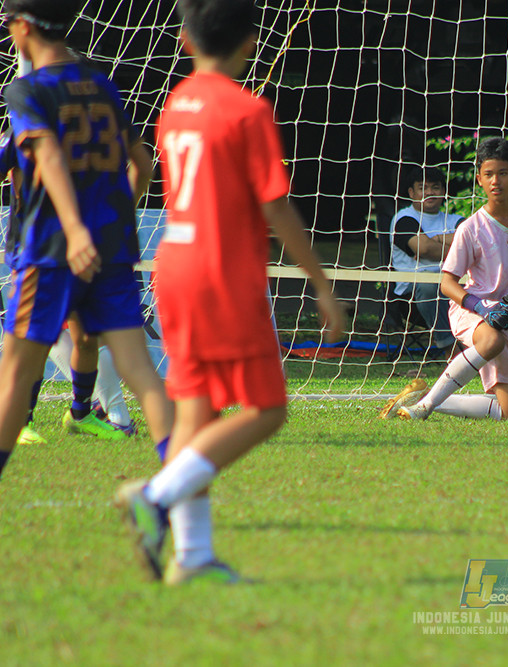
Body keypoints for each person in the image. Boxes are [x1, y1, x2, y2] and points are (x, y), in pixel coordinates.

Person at [116, 0, 344, 585]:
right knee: (268, 408)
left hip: (172, 265)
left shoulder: (175, 105)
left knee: (197, 411)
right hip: (221, 272)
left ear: (185, 42)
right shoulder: (247, 110)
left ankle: (191, 557)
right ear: (250, 42)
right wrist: (320, 283)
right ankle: (157, 495)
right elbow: (274, 205)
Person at [0, 0, 173, 480]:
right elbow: (143, 162)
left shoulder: (27, 90)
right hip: (112, 250)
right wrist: (115, 220)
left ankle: (76, 412)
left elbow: (50, 155)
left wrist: (74, 229)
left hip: (52, 252)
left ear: (23, 26)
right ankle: (183, 498)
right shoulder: (101, 84)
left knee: (14, 374)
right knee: (141, 373)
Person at [379, 137, 508, 422]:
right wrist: (482, 307)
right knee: (492, 340)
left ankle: (424, 398)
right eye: (488, 174)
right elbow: (447, 283)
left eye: (503, 173)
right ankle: (422, 410)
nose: (496, 180)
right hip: (472, 312)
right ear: (479, 179)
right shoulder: (470, 228)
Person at [388, 166, 462, 353]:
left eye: (435, 187)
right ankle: (451, 350)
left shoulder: (456, 219)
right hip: (413, 295)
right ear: (412, 192)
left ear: (444, 191)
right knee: (430, 286)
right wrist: (455, 244)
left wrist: (435, 238)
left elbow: (475, 244)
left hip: (457, 287)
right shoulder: (404, 219)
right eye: (423, 187)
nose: (430, 192)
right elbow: (425, 249)